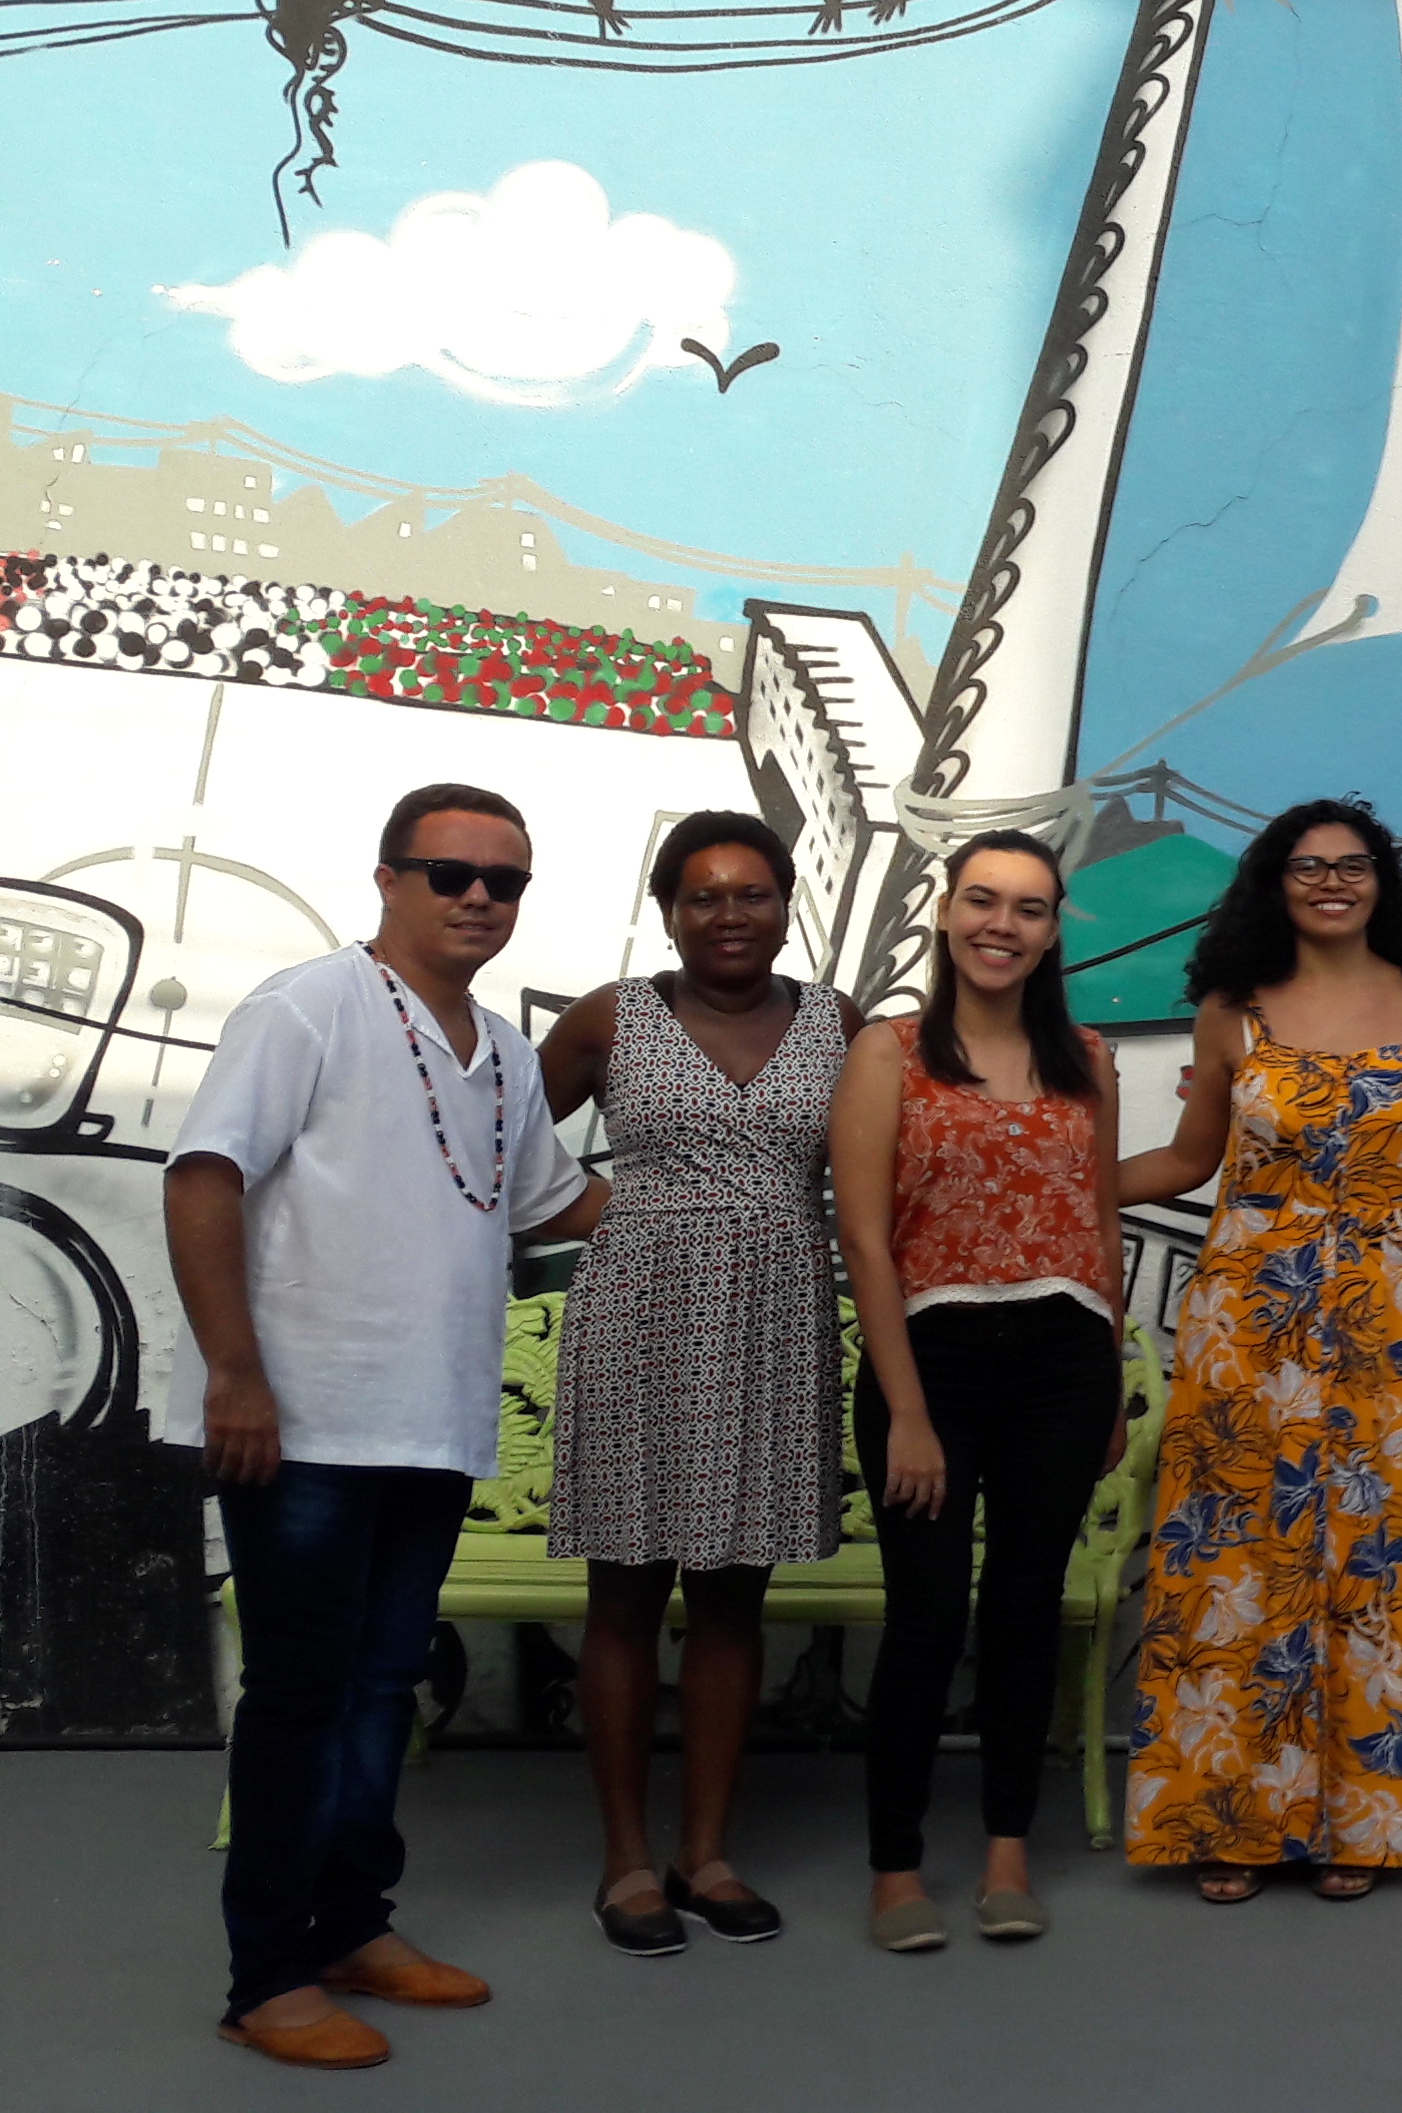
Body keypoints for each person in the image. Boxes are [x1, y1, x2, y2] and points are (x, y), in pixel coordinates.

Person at [165, 783, 609, 2068]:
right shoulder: (308, 1006)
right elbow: (202, 1178)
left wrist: (724, 1208)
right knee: (302, 1694)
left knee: (378, 1689)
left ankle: (354, 1926)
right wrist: (235, 1373)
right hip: (304, 1421)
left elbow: (551, 1202)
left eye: (504, 882)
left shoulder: (503, 1051)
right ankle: (266, 1979)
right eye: (448, 873)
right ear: (387, 879)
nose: (478, 898)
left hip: (433, 1425)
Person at [1116, 800, 1402, 1903]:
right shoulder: (1233, 1012)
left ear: (1382, 880)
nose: (1331, 882)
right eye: (1307, 866)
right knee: (1236, 1562)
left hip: (1393, 1323)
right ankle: (1232, 1820)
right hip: (1250, 1324)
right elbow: (1188, 1159)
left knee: (1379, 1560)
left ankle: (1368, 1821)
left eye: (1352, 864)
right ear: (1274, 883)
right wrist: (1055, 1182)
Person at [537, 811, 858, 1958]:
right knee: (624, 1597)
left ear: (785, 905)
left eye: (752, 893)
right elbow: (498, 1137)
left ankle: (705, 1853)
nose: (730, 915)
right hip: (638, 1320)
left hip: (777, 1320)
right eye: (704, 896)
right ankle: (627, 1858)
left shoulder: (838, 1022)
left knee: (732, 1598)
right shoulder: (611, 1016)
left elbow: (882, 1170)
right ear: (669, 911)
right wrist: (599, 1211)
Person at [829, 830, 1125, 1953]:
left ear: (1051, 934)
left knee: (1024, 1609)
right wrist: (905, 1409)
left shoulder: (1085, 1058)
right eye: (983, 900)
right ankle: (895, 1869)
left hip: (1064, 1358)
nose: (1003, 924)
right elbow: (865, 1239)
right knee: (925, 1617)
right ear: (947, 914)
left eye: (1029, 908)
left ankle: (1008, 1853)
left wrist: (1109, 1383)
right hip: (933, 1360)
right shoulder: (888, 1052)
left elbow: (1097, 1220)